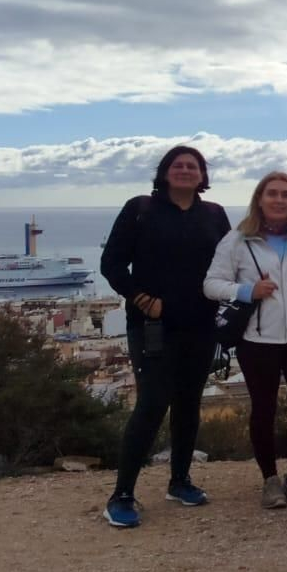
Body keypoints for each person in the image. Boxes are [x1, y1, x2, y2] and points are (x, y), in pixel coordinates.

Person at [100, 146, 232, 528]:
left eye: (193, 166)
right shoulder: (140, 208)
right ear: (165, 172)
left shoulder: (214, 214)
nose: (186, 170)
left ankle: (180, 480)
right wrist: (142, 299)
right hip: (152, 325)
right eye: (179, 165)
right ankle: (122, 493)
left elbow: (230, 259)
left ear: (202, 175)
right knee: (153, 403)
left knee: (189, 404)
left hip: (201, 322)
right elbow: (111, 263)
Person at [203, 171, 287, 508]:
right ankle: (270, 480)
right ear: (259, 199)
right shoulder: (238, 240)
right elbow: (212, 284)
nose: (279, 200)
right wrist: (247, 290)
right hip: (258, 340)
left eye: (286, 195)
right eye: (272, 194)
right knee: (264, 410)